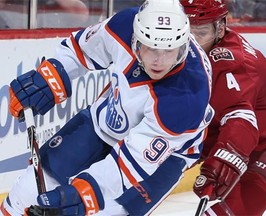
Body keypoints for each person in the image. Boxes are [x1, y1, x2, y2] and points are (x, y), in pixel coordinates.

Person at [1, 0, 214, 215]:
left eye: (169, 51)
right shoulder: (124, 25)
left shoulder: (186, 98)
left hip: (165, 156)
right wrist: (48, 79)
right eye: (151, 48)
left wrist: (80, 198)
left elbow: (127, 166)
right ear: (136, 39)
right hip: (106, 122)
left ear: (183, 46)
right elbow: (80, 50)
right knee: (24, 193)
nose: (159, 61)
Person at [181, 0, 266, 215]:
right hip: (205, 129)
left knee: (250, 201)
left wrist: (226, 157)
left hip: (257, 139)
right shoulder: (168, 49)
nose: (190, 42)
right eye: (185, 32)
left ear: (220, 28)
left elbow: (240, 120)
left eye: (199, 32)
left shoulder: (233, 64)